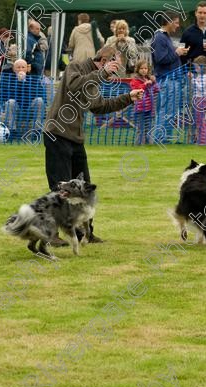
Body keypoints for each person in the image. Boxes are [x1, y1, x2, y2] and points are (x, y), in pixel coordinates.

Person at [43, 46, 144, 244]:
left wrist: (128, 98)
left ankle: (86, 233)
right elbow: (74, 85)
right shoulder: (76, 67)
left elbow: (100, 107)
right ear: (104, 60)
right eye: (112, 67)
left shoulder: (96, 80)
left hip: (75, 138)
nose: (112, 73)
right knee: (60, 186)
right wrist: (103, 73)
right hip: (57, 133)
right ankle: (51, 234)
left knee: (86, 188)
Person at [152, 11, 189, 143]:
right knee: (167, 110)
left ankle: (163, 138)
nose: (178, 26)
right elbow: (160, 59)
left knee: (169, 110)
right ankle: (160, 138)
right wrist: (177, 53)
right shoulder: (160, 38)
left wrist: (176, 52)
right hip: (167, 79)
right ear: (169, 21)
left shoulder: (164, 37)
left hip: (171, 79)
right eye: (177, 22)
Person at [130, 60, 159, 145]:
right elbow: (137, 89)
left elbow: (157, 89)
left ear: (148, 70)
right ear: (138, 69)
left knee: (149, 127)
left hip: (149, 108)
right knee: (140, 128)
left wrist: (154, 82)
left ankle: (148, 143)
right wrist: (145, 84)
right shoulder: (135, 80)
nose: (144, 70)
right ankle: (139, 144)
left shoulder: (149, 79)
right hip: (140, 108)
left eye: (145, 68)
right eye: (141, 68)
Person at [190, 55, 206, 145]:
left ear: (203, 66)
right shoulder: (198, 76)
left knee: (201, 122)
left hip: (202, 100)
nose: (195, 68)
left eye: (197, 66)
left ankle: (202, 141)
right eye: (195, 66)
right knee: (200, 121)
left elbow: (201, 88)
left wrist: (193, 79)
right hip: (196, 99)